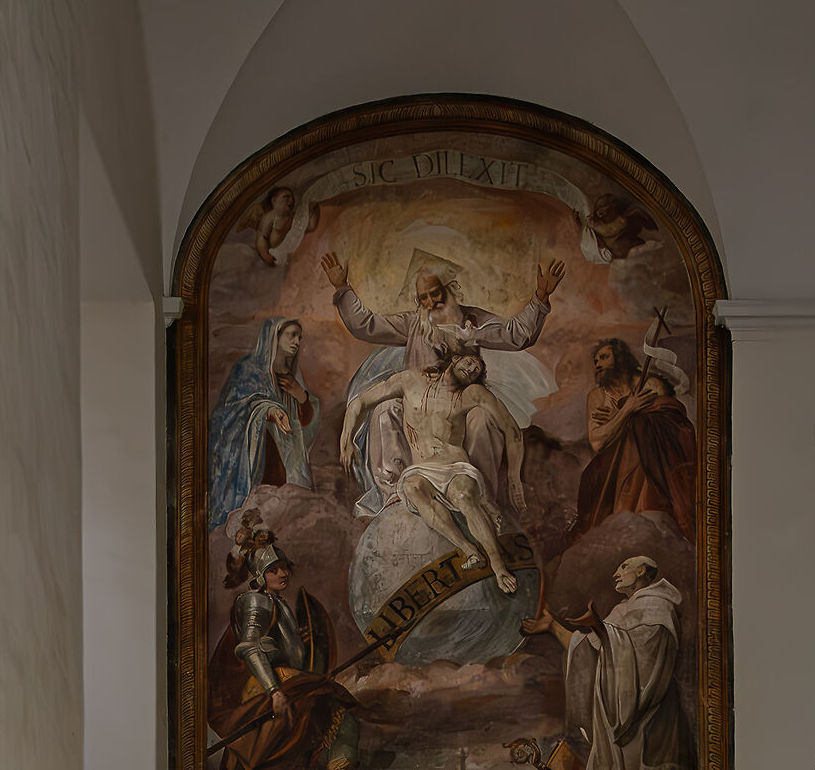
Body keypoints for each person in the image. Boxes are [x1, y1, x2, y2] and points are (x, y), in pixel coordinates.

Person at [323, 251, 562, 515]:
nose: (430, 302)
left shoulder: (473, 321)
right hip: (418, 404)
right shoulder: (414, 324)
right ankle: (394, 495)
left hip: (458, 405)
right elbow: (366, 324)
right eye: (423, 297)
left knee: (483, 418)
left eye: (435, 293)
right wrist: (342, 288)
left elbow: (516, 335)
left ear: (450, 289)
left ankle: (479, 497)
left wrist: (541, 298)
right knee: (385, 410)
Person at [206, 522, 362, 770]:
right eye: (275, 569)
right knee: (341, 718)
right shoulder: (258, 601)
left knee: (339, 721)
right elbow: (250, 648)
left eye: (284, 568)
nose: (283, 573)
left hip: (286, 680)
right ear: (259, 575)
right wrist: (275, 692)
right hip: (270, 685)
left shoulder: (278, 604)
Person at [519, 555, 695, 770]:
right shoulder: (624, 610)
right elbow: (587, 649)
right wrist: (553, 626)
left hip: (650, 710)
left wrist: (602, 630)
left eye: (624, 566)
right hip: (622, 704)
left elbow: (647, 662)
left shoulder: (658, 605)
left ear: (642, 570)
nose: (616, 572)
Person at [340, 347, 526, 594]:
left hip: (455, 466)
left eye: (477, 370)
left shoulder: (473, 393)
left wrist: (514, 476)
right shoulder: (410, 380)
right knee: (411, 487)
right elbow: (360, 402)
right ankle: (469, 550)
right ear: (456, 358)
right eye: (471, 362)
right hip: (421, 468)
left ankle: (499, 567)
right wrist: (347, 439)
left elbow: (512, 430)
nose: (472, 370)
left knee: (462, 496)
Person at [567, 323, 697, 544]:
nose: (598, 364)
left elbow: (669, 422)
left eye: (604, 357)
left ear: (620, 358)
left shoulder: (651, 384)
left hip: (655, 462)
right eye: (596, 361)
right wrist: (628, 410)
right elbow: (598, 443)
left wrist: (623, 419)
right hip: (613, 467)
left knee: (641, 429)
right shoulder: (597, 396)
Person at [206, 315, 317, 534]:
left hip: (285, 457)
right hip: (257, 453)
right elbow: (230, 412)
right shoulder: (248, 370)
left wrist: (301, 396)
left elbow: (304, 423)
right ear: (274, 336)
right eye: (291, 335)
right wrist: (268, 410)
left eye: (300, 337)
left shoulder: (292, 376)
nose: (297, 341)